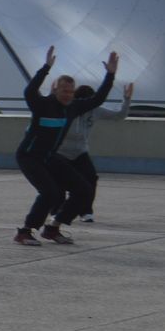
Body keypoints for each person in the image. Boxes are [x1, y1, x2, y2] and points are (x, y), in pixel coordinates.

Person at [13, 47, 118, 246]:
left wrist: (110, 75)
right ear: (55, 89)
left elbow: (98, 99)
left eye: (71, 92)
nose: (68, 95)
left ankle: (53, 228)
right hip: (30, 156)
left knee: (84, 190)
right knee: (50, 193)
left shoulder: (73, 108)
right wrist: (45, 68)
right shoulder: (42, 105)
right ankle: (25, 232)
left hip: (50, 157)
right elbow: (29, 91)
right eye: (64, 91)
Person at [55, 80, 132, 225]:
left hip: (80, 151)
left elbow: (119, 116)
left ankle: (86, 211)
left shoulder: (96, 110)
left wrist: (126, 99)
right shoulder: (68, 108)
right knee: (59, 181)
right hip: (60, 151)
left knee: (90, 179)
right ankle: (58, 210)